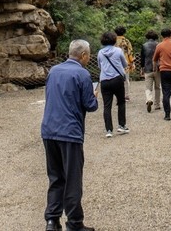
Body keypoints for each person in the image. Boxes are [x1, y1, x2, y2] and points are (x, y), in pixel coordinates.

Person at [41, 39, 99, 231]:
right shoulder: (82, 74)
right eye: (88, 55)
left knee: (55, 176)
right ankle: (74, 223)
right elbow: (90, 105)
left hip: (49, 130)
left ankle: (52, 220)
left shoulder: (54, 71)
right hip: (70, 132)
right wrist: (95, 94)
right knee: (72, 178)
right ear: (83, 56)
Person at [97, 30, 130, 137]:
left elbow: (99, 66)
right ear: (114, 40)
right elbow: (124, 64)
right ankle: (121, 125)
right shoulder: (118, 51)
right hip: (117, 79)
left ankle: (109, 130)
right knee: (121, 102)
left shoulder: (100, 52)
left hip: (104, 80)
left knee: (107, 106)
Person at [140, 29, 162, 113]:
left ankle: (149, 99)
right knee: (157, 87)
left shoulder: (144, 45)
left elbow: (142, 59)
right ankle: (157, 105)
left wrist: (142, 68)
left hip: (147, 69)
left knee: (148, 87)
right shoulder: (159, 45)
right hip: (157, 68)